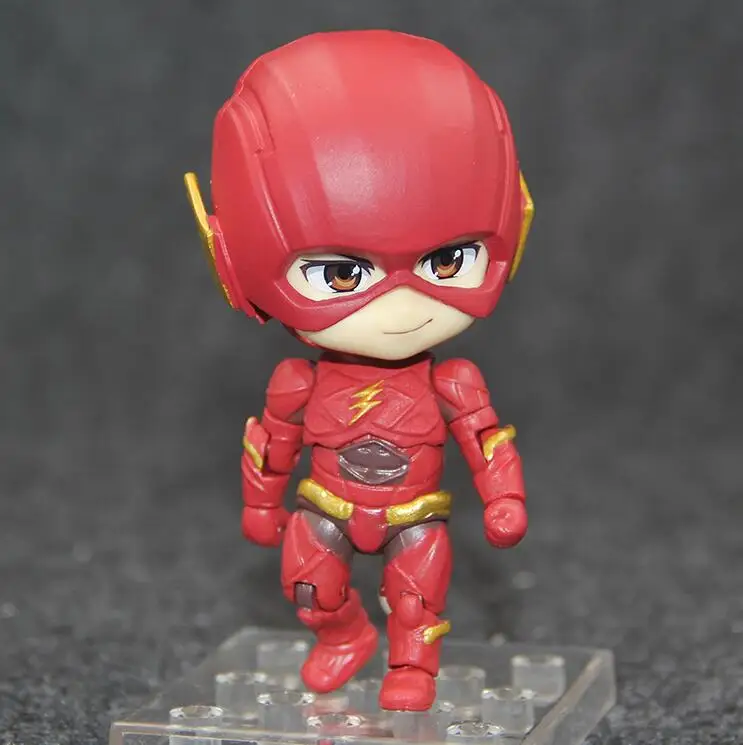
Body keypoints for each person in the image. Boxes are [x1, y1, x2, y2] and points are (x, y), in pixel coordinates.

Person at [184, 29, 534, 712]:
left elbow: (486, 439)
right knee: (308, 590)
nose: (401, 306)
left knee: (417, 598)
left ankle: (413, 667)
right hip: (326, 503)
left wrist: (505, 496)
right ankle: (343, 634)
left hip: (415, 512)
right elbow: (273, 441)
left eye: (446, 262)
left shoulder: (452, 382)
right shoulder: (299, 381)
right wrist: (261, 504)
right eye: (343, 275)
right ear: (236, 264)